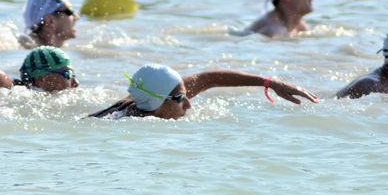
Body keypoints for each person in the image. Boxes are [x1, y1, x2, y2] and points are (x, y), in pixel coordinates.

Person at [90, 63, 319, 119]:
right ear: (155, 105)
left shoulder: (156, 95)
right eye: (180, 99)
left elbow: (208, 79)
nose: (189, 104)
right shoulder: (124, 122)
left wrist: (271, 82)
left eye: (186, 95)